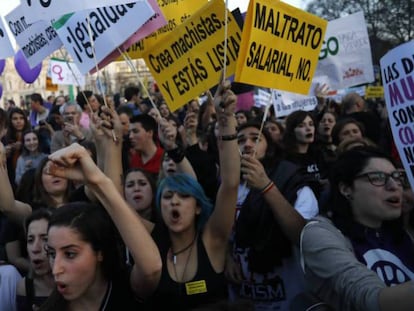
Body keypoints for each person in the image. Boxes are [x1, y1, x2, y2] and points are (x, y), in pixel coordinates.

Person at [141, 80, 240, 310]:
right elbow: (115, 202)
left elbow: (231, 184)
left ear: (198, 207)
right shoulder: (150, 242)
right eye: (167, 197)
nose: (174, 201)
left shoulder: (213, 240)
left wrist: (226, 121)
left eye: (183, 197)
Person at [40, 142, 162, 309]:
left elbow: (151, 269)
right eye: (52, 253)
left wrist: (98, 182)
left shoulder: (124, 290)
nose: (56, 269)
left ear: (99, 253)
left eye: (70, 254)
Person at [300, 146, 414, 311]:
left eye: (397, 177)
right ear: (346, 189)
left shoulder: (404, 230)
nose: (393, 186)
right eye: (378, 177)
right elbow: (367, 299)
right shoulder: (320, 234)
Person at [226, 120, 319, 311]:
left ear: (269, 149)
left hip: (287, 296)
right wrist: (226, 257)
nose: (248, 144)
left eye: (256, 139)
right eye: (240, 140)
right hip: (243, 296)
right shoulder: (227, 188)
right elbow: (222, 235)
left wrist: (266, 187)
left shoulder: (292, 183)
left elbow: (303, 237)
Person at [16, 208, 55, 311]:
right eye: (30, 240)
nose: (35, 248)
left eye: (45, 239)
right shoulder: (25, 287)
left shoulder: (77, 284)